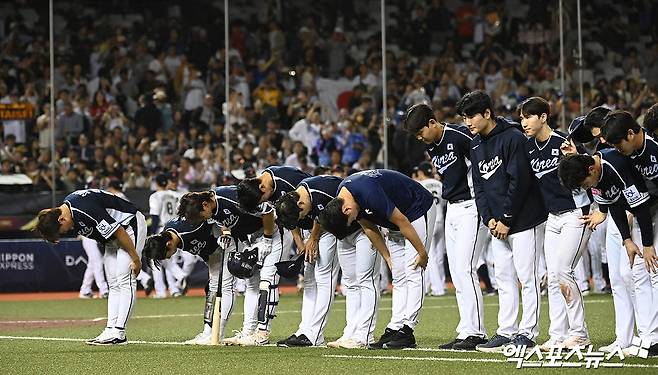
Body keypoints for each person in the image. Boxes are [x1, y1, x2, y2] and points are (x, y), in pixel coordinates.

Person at [457, 91, 547, 352]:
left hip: (523, 219)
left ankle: (528, 332)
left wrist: (505, 218)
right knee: (504, 278)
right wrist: (489, 219)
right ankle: (506, 331)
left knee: (527, 278)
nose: (468, 123)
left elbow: (519, 182)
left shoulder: (513, 137)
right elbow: (479, 186)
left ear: (487, 113)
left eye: (471, 116)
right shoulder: (474, 144)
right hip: (497, 225)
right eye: (464, 118)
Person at [319, 169, 436, 349]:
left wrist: (422, 252)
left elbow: (403, 221)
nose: (353, 221)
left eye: (349, 219)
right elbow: (368, 227)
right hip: (397, 220)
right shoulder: (343, 197)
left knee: (413, 271)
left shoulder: (368, 193)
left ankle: (408, 330)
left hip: (417, 209)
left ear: (346, 209)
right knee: (398, 275)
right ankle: (395, 327)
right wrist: (387, 257)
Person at [404, 103, 489, 350]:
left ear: (432, 122)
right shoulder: (432, 144)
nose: (420, 138)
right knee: (458, 271)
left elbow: (482, 169)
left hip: (472, 205)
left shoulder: (461, 135)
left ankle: (476, 332)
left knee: (465, 269)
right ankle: (466, 329)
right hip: (452, 207)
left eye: (421, 132)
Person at [518, 96, 592, 350]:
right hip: (552, 217)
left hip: (575, 213)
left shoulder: (563, 142)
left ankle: (580, 333)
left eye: (528, 116)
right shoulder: (528, 147)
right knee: (551, 278)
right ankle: (558, 335)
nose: (524, 122)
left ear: (543, 117)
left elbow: (591, 172)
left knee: (563, 272)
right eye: (521, 118)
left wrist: (579, 153)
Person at [275, 174, 381, 348]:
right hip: (341, 232)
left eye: (299, 216)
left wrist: (314, 238)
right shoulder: (297, 197)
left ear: (301, 205)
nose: (300, 220)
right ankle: (338, 332)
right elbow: (307, 219)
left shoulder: (319, 192)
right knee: (347, 283)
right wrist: (303, 241)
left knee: (334, 278)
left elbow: (321, 217)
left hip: (360, 229)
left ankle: (319, 334)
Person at [181, 185, 291, 346]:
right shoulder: (212, 209)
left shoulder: (232, 197)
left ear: (205, 204)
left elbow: (267, 211)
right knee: (251, 285)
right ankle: (248, 332)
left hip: (274, 232)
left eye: (199, 215)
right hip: (254, 236)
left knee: (267, 281)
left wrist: (267, 240)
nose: (201, 219)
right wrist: (229, 235)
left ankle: (262, 333)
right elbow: (228, 222)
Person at [35, 189, 147, 345]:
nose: (64, 232)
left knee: (125, 280)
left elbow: (120, 231)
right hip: (113, 237)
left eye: (60, 231)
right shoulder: (68, 212)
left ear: (61, 219)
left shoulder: (83, 208)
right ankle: (110, 330)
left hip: (129, 226)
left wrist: (135, 258)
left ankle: (119, 332)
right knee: (113, 283)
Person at [143, 216, 224, 345]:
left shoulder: (190, 230)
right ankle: (208, 332)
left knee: (225, 288)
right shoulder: (174, 235)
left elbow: (214, 216)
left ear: (168, 244)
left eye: (165, 255)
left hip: (230, 243)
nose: (167, 258)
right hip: (214, 252)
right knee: (211, 289)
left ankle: (219, 333)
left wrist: (226, 235)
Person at [412, 162, 447, 297]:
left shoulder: (420, 184)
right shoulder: (439, 183)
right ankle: (440, 284)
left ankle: (437, 288)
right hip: (441, 219)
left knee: (429, 256)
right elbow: (444, 201)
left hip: (429, 222)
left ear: (420, 173)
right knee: (439, 256)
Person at [148, 173, 186, 298]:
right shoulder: (176, 195)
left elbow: (154, 216)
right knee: (169, 258)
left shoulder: (155, 196)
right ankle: (174, 289)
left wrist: (152, 234)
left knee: (155, 260)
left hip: (160, 228)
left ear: (157, 183)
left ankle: (161, 291)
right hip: (174, 229)